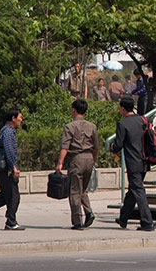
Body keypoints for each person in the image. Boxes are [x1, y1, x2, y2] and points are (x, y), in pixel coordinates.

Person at [111, 96, 154, 231]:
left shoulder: (122, 124)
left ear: (123, 108)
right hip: (145, 161)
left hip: (133, 162)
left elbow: (118, 145)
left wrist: (113, 148)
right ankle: (123, 218)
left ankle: (147, 222)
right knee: (133, 190)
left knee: (138, 190)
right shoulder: (143, 120)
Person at [55, 98, 99, 230]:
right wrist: (93, 160)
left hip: (76, 159)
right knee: (83, 189)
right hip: (89, 158)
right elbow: (96, 147)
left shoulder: (70, 126)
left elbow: (65, 147)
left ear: (74, 110)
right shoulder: (92, 126)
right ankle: (89, 212)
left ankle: (77, 220)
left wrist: (60, 163)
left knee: (74, 190)